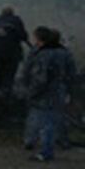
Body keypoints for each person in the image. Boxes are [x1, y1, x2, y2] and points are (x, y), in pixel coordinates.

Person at [22, 26, 72, 161]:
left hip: (45, 94)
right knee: (52, 120)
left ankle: (45, 151)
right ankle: (58, 143)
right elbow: (71, 73)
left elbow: (40, 78)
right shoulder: (65, 53)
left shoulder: (43, 55)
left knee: (44, 122)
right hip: (59, 91)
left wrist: (31, 92)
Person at [0, 6, 29, 102]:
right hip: (12, 54)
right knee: (9, 76)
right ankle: (5, 97)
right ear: (12, 13)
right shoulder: (16, 21)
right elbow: (23, 36)